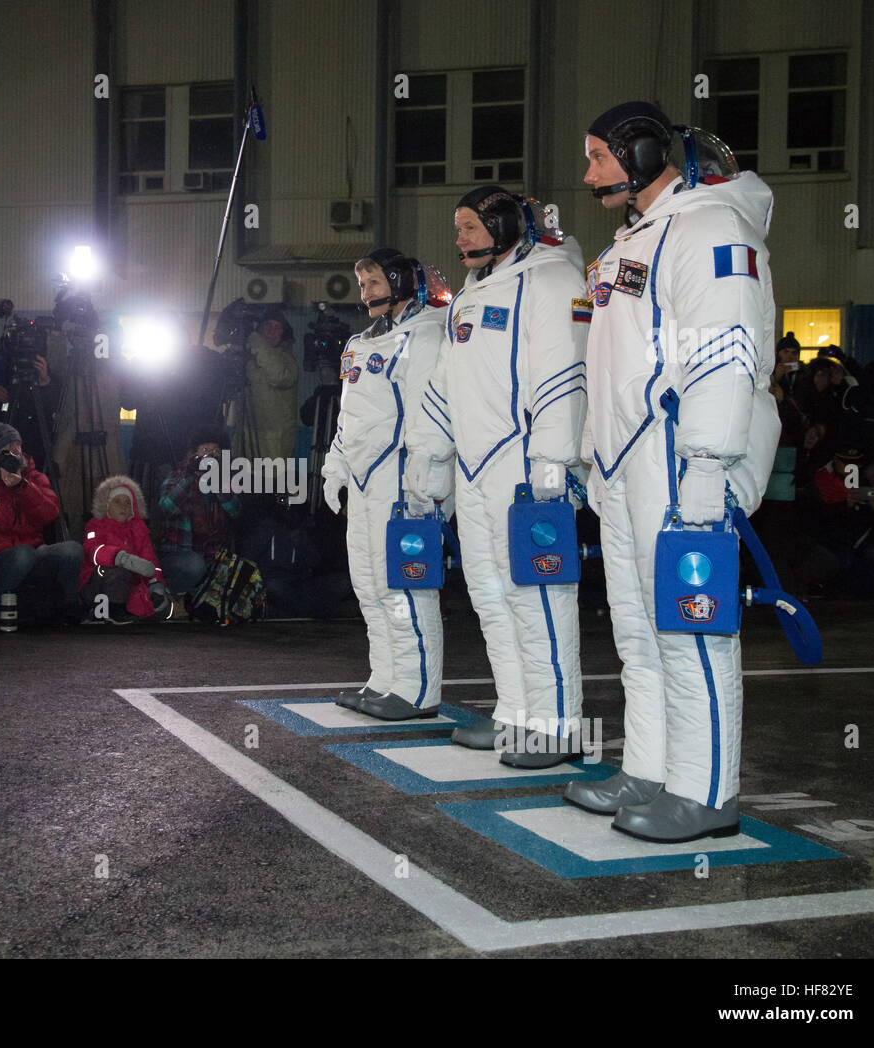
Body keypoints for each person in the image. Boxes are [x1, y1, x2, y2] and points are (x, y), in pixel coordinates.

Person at [565, 102, 780, 842]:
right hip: (629, 463)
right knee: (638, 630)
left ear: (648, 153)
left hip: (681, 459)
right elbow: (609, 361)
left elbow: (727, 355)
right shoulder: (637, 239)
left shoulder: (712, 226)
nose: (589, 173)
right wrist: (595, 450)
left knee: (693, 632)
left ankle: (707, 790)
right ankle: (651, 769)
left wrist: (708, 470)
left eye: (600, 157)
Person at [406, 187, 588, 766]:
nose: (459, 238)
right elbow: (442, 386)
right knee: (490, 595)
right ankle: (515, 712)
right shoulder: (469, 297)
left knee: (539, 597)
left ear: (505, 224)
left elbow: (566, 374)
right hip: (475, 468)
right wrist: (427, 457)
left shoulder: (552, 281)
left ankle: (558, 724)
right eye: (457, 227)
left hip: (527, 467)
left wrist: (554, 461)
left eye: (470, 227)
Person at [321, 249, 447, 721]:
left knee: (405, 587)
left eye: (374, 282)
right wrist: (335, 466)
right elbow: (348, 416)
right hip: (364, 480)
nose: (366, 292)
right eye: (362, 284)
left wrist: (428, 472)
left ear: (400, 281)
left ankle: (417, 690)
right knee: (370, 586)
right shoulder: (359, 344)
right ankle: (385, 679)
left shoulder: (426, 332)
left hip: (401, 478)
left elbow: (427, 410)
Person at [0, 422, 83, 627]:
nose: (13, 452)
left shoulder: (35, 478)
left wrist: (24, 486)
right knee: (23, 554)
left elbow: (50, 514)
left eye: (16, 446)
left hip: (34, 553)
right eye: (6, 449)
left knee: (72, 550)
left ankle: (69, 607)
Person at [156, 426, 240, 599]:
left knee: (236, 572)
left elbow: (235, 511)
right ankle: (168, 597)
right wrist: (190, 477)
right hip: (178, 556)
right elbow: (166, 507)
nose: (209, 456)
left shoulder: (223, 480)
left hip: (210, 556)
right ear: (193, 453)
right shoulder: (177, 477)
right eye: (205, 450)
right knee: (195, 566)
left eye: (215, 451)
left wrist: (216, 482)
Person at [80, 475, 169, 623]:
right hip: (96, 583)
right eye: (117, 502)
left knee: (156, 602)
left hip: (127, 584)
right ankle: (109, 610)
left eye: (128, 502)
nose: (124, 506)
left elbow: (150, 560)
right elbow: (92, 551)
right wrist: (120, 558)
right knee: (115, 569)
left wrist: (156, 584)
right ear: (106, 505)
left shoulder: (139, 529)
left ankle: (125, 609)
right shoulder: (95, 525)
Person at [230, 310, 300, 461]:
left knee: (270, 484)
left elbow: (278, 376)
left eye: (277, 327)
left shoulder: (287, 361)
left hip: (273, 451)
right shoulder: (250, 359)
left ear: (283, 333)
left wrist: (256, 341)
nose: (271, 331)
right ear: (259, 328)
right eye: (267, 325)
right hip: (244, 448)